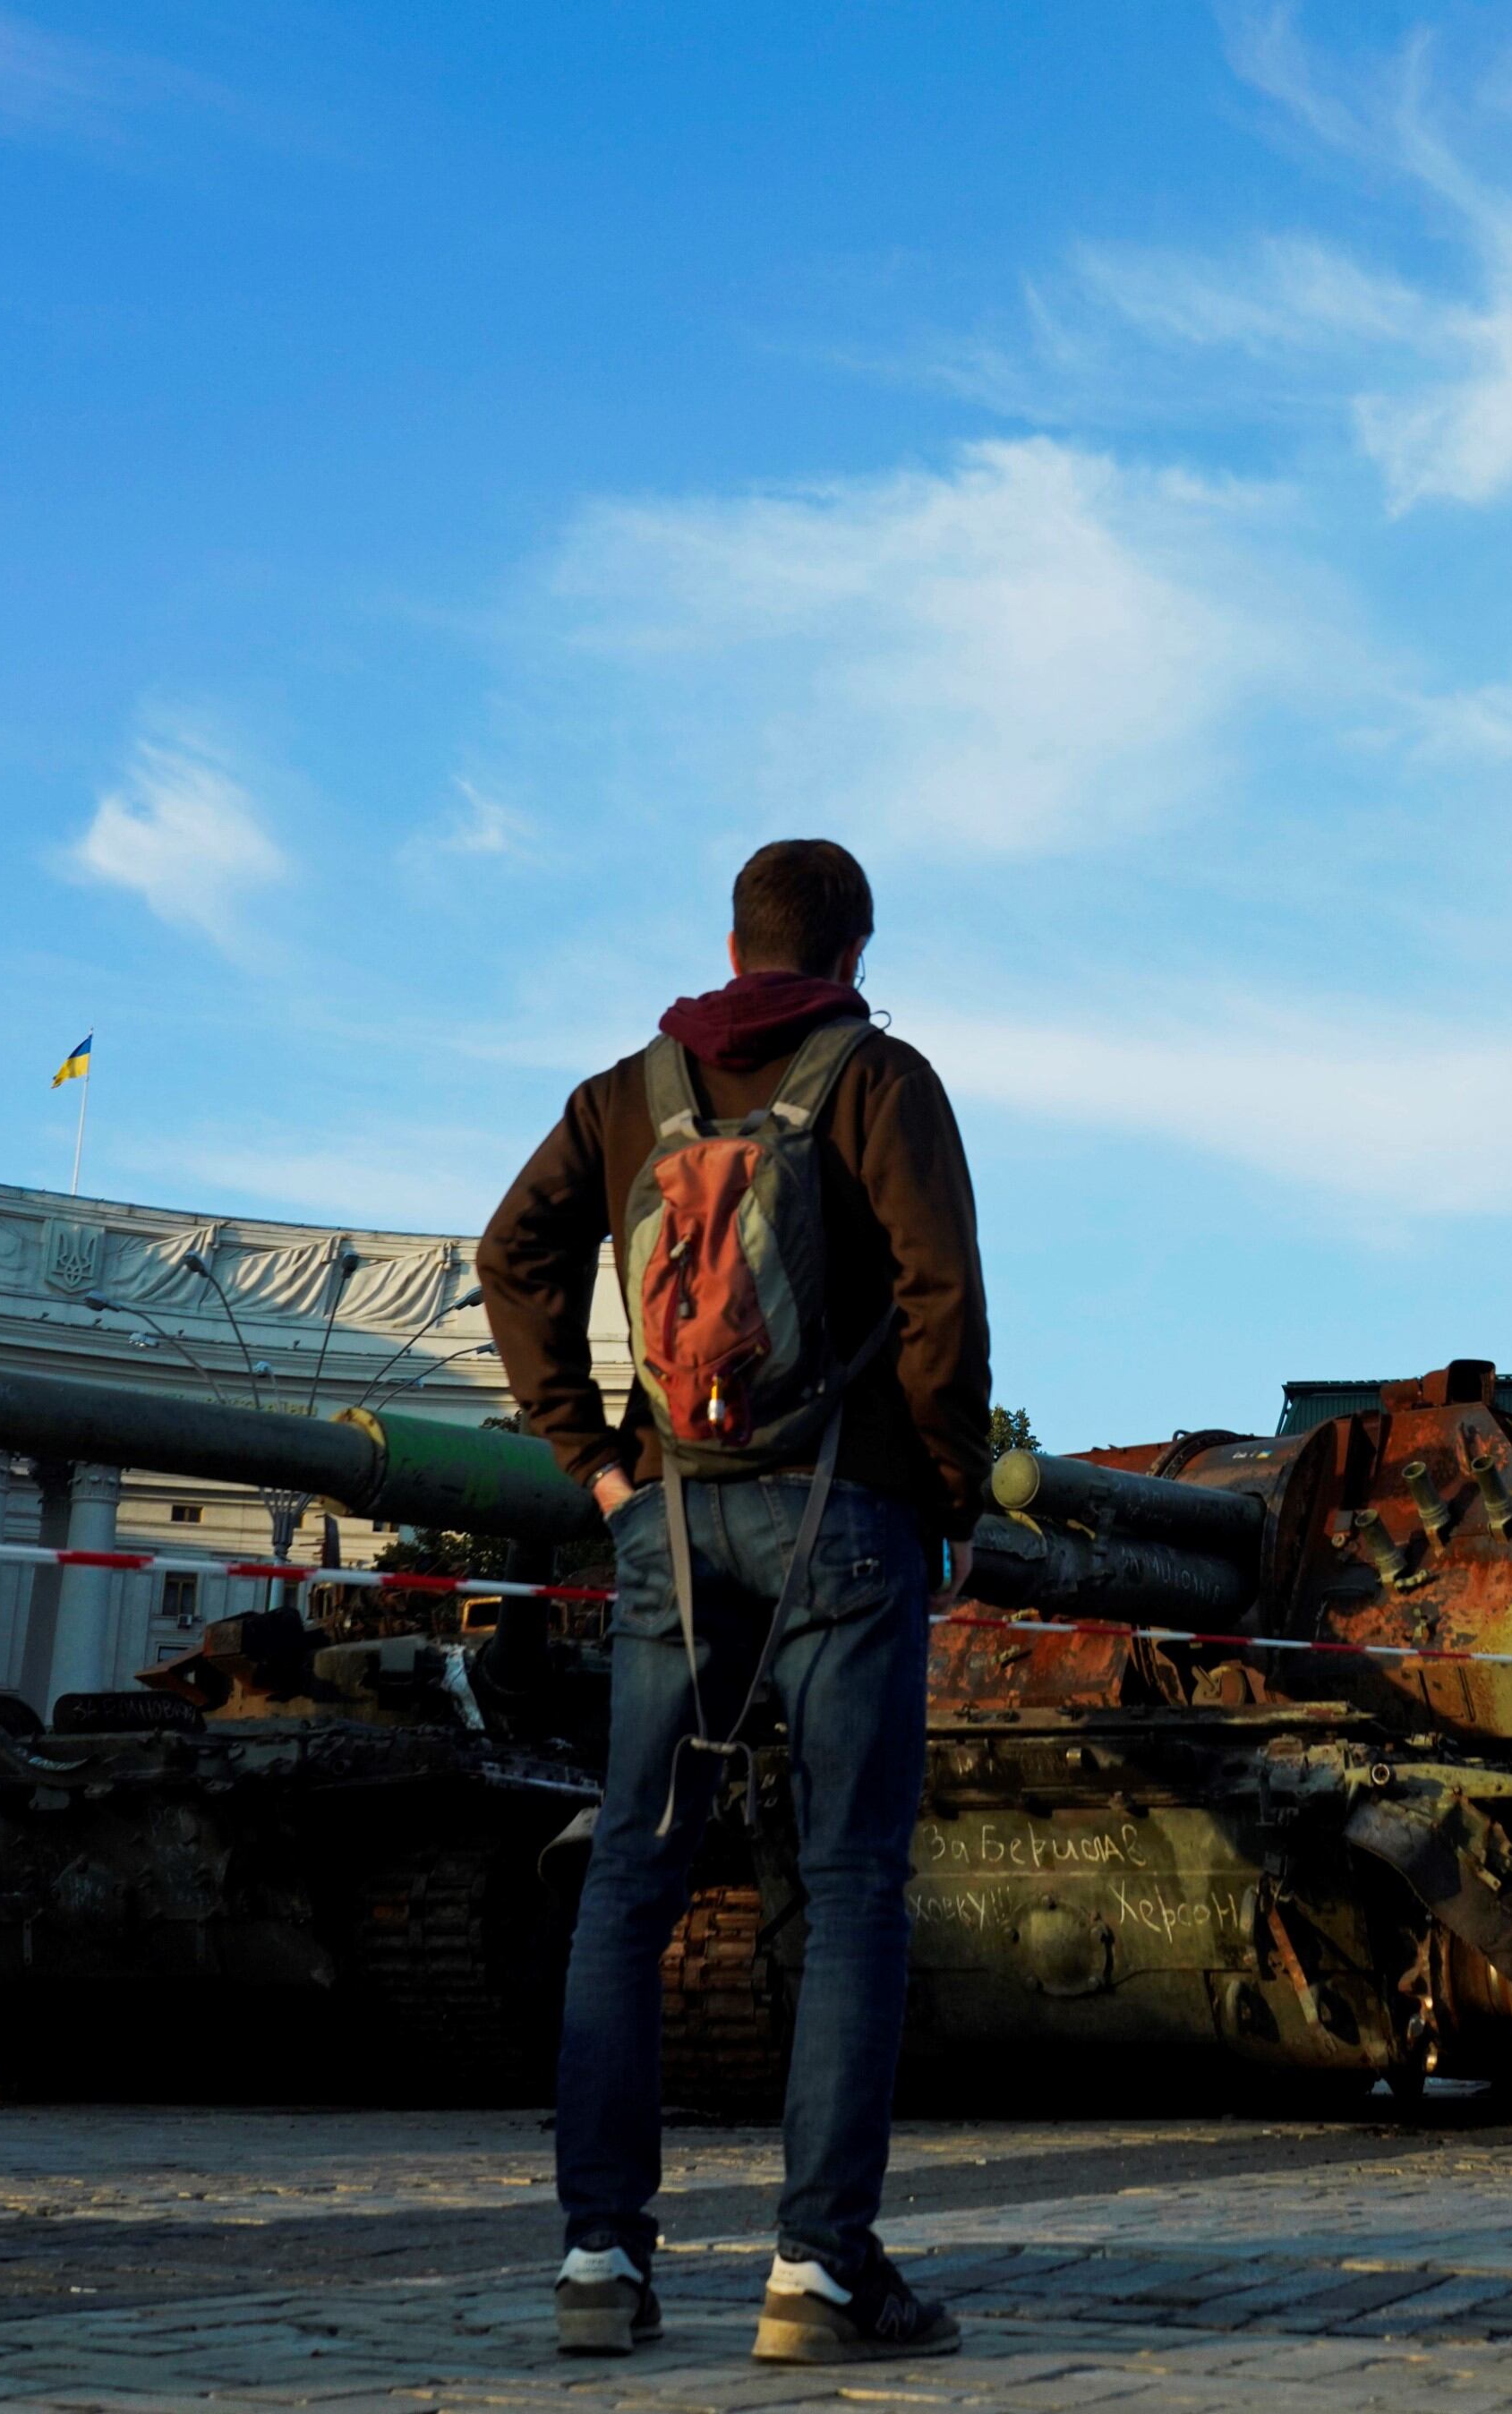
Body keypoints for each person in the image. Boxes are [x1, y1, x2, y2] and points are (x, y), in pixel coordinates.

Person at [480, 838, 991, 2367]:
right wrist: (945, 1495)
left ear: (730, 939)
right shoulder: (880, 1080)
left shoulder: (626, 1094)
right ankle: (820, 2275)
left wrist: (597, 1463)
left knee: (629, 1890)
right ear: (852, 953)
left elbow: (514, 1255)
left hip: (674, 1529)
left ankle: (596, 2263)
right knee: (850, 1895)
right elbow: (942, 1299)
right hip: (848, 1523)